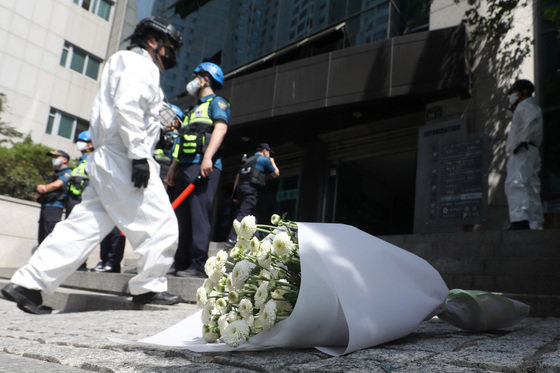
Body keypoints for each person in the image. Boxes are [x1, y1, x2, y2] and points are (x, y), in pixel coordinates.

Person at [1, 16, 184, 314]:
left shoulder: (120, 61)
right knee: (162, 225)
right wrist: (139, 154)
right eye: (169, 47)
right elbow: (127, 106)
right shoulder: (142, 65)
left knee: (82, 226)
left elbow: (126, 108)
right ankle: (149, 286)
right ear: (153, 41)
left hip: (105, 157)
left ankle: (28, 284)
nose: (170, 54)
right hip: (126, 156)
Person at [165, 62, 230, 278]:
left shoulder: (217, 102)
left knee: (199, 215)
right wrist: (173, 168)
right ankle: (180, 261)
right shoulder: (192, 110)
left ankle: (198, 264)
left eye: (196, 76)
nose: (193, 80)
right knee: (182, 217)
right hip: (184, 166)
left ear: (206, 78)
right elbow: (182, 141)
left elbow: (220, 129)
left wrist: (208, 157)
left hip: (203, 166)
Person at [66, 130, 126, 273]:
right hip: (95, 198)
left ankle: (111, 262)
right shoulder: (87, 159)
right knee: (102, 232)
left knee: (116, 231)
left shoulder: (109, 155)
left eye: (84, 141)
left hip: (116, 196)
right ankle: (103, 260)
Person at [504, 79, 544, 230]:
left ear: (523, 92)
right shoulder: (530, 106)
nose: (512, 95)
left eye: (514, 92)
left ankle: (520, 219)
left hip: (522, 149)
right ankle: (535, 222)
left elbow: (531, 121)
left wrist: (522, 140)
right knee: (531, 186)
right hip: (531, 149)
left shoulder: (524, 106)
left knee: (515, 182)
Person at [226, 143, 280, 246]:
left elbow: (237, 178)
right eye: (268, 152)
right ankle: (231, 239)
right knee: (243, 213)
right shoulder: (264, 160)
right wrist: (272, 160)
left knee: (253, 214)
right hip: (251, 190)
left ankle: (256, 239)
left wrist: (234, 194)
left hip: (241, 190)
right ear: (265, 151)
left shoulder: (247, 161)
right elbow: (276, 174)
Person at [36, 149, 72, 245]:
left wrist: (43, 188)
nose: (54, 159)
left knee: (49, 236)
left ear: (65, 160)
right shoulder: (56, 172)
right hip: (47, 205)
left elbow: (57, 185)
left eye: (56, 157)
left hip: (55, 206)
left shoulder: (68, 172)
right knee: (42, 237)